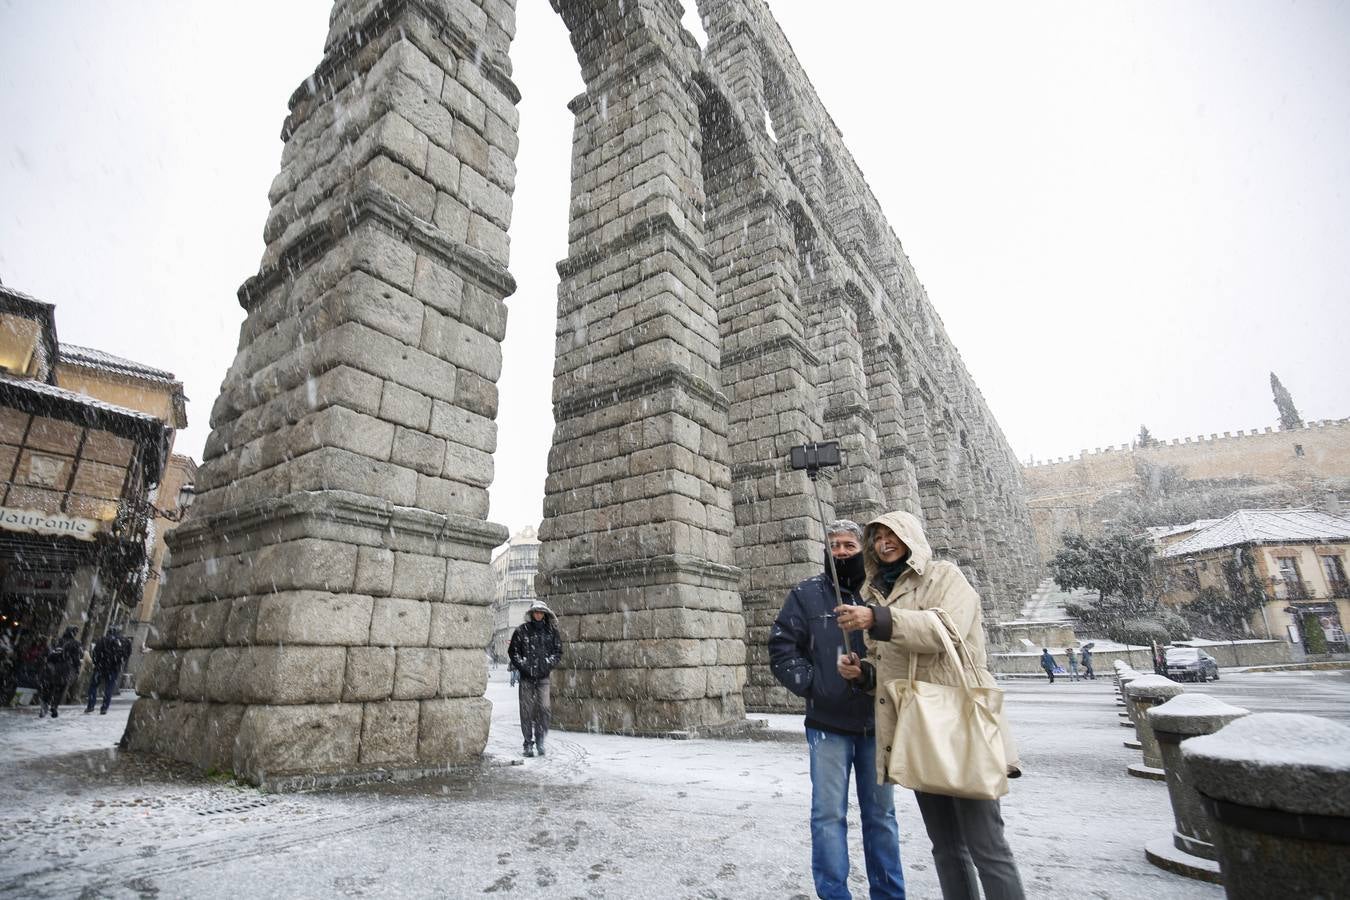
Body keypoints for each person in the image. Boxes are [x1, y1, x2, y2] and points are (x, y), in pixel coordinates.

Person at [836, 510, 1026, 900]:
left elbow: (946, 630)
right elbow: (889, 660)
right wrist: (865, 674)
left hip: (958, 722)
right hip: (917, 726)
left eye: (892, 535)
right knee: (945, 846)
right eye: (877, 537)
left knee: (987, 845)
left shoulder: (945, 576)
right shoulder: (875, 593)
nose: (884, 543)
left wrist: (878, 618)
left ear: (911, 537)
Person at [769, 519, 906, 900]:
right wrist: (813, 684)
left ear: (862, 549)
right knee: (828, 818)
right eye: (835, 546)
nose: (842, 552)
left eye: (849, 545)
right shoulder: (806, 593)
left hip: (877, 721)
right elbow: (782, 647)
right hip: (827, 724)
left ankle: (890, 895)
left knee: (881, 819)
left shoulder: (881, 592)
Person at [507, 600, 562, 758]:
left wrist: (547, 664)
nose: (538, 615)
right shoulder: (521, 631)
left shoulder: (551, 631)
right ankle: (527, 743)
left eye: (541, 612)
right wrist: (524, 666)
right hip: (526, 678)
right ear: (532, 614)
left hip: (543, 677)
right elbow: (513, 652)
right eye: (536, 612)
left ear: (544, 614)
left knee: (544, 709)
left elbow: (558, 652)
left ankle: (540, 740)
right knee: (526, 711)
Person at [38, 627, 81, 718]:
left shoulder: (56, 641)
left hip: (52, 668)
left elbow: (46, 653)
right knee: (60, 689)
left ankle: (44, 705)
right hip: (64, 669)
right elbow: (76, 659)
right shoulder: (75, 644)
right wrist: (77, 669)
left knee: (48, 687)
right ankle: (54, 706)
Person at [86, 628, 127, 714]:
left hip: (100, 668)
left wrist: (96, 663)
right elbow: (122, 656)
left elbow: (95, 654)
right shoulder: (119, 642)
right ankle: (104, 708)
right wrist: (117, 665)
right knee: (109, 688)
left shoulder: (101, 641)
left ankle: (90, 705)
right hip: (113, 669)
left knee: (93, 686)